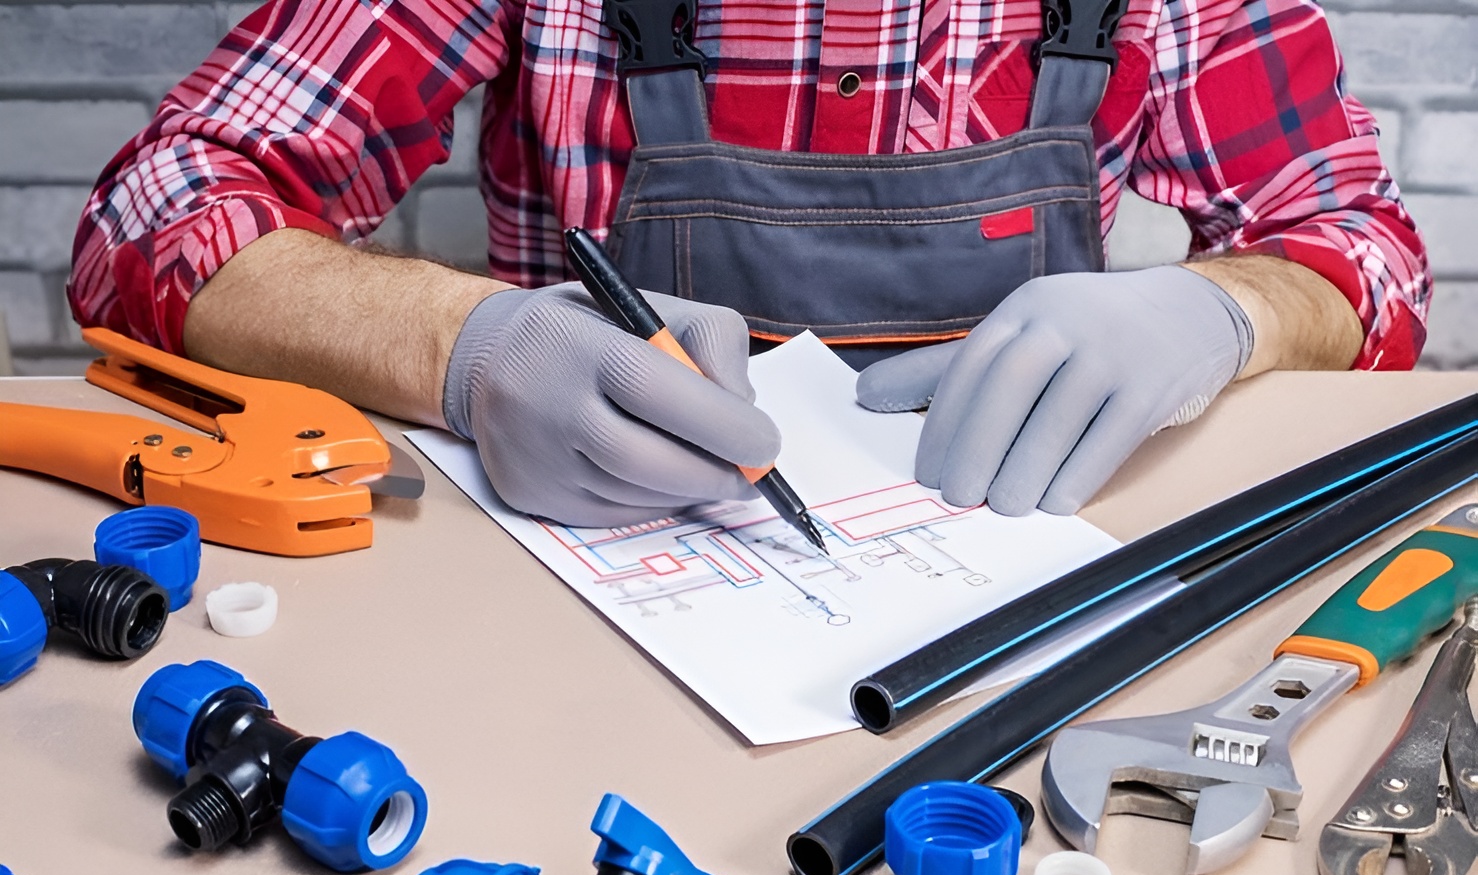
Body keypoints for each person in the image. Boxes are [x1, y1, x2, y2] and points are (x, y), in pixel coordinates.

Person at [68, 0, 1429, 528]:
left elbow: (1363, 251)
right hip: (596, 554)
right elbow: (155, 211)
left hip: (1004, 565)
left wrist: (1220, 308)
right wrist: (466, 348)